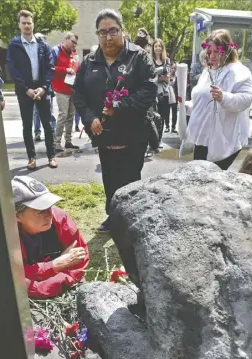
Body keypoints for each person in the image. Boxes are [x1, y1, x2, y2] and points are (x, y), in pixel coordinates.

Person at [73, 8, 157, 233]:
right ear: (97, 34)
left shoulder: (138, 57)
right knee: (109, 177)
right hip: (103, 133)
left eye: (113, 31)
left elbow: (149, 90)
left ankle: (131, 218)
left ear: (123, 31)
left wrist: (118, 107)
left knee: (130, 178)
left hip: (133, 132)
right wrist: (90, 118)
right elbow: (78, 93)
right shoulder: (90, 60)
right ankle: (113, 216)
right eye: (103, 32)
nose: (108, 37)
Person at [185, 29, 252, 170]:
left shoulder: (239, 71)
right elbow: (202, 97)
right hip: (202, 137)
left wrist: (224, 97)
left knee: (209, 181)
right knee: (198, 179)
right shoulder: (208, 70)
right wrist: (189, 106)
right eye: (209, 52)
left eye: (217, 51)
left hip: (224, 139)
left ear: (227, 50)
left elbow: (246, 99)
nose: (212, 56)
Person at [12, 176, 89, 299]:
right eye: (40, 210)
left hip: (59, 282)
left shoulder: (60, 218)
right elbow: (13, 275)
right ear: (16, 215)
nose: (49, 214)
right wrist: (57, 264)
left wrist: (37, 287)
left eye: (49, 206)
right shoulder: (5, 236)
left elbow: (79, 265)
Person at [7, 11, 57, 170]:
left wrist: (43, 88)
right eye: (23, 23)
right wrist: (26, 89)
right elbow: (13, 70)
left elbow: (50, 68)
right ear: (19, 25)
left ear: (33, 24)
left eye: (29, 22)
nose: (27, 25)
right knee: (27, 126)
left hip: (43, 90)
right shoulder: (14, 45)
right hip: (25, 92)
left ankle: (51, 156)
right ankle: (32, 158)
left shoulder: (43, 45)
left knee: (48, 125)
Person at [51, 32, 80, 152]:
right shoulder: (56, 51)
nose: (74, 45)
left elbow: (76, 68)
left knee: (70, 116)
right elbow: (50, 68)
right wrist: (65, 70)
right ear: (66, 39)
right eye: (73, 42)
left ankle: (68, 141)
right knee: (63, 115)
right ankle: (56, 142)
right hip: (61, 89)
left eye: (76, 43)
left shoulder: (74, 53)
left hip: (72, 89)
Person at [33, 33, 56, 142]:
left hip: (46, 89)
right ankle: (38, 132)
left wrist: (45, 87)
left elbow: (50, 70)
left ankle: (51, 132)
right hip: (36, 89)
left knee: (47, 112)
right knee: (37, 112)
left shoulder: (47, 51)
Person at [152, 39, 171, 133]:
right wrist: (160, 77)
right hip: (152, 92)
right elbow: (149, 75)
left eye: (159, 46)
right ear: (153, 48)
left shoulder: (166, 60)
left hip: (163, 92)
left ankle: (159, 139)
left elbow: (168, 77)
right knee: (153, 115)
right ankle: (153, 140)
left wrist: (157, 76)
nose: (158, 48)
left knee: (162, 116)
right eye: (156, 46)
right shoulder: (149, 60)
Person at [169, 62, 178, 134]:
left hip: (175, 97)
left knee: (174, 113)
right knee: (167, 113)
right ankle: (166, 126)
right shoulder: (167, 76)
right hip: (168, 97)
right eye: (173, 68)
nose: (174, 70)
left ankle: (173, 127)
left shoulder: (178, 77)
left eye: (175, 68)